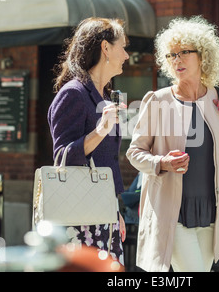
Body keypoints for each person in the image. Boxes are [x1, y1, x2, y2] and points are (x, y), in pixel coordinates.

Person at [126, 15, 219, 272]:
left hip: (211, 212)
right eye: (171, 55)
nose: (177, 60)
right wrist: (163, 162)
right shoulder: (158, 100)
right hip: (172, 212)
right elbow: (134, 153)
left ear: (203, 55)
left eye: (184, 52)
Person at [48, 17, 129, 265]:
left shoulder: (103, 94)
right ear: (105, 48)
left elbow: (107, 160)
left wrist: (115, 208)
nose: (126, 55)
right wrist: (100, 131)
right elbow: (62, 156)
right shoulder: (73, 93)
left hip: (103, 212)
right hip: (81, 217)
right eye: (123, 47)